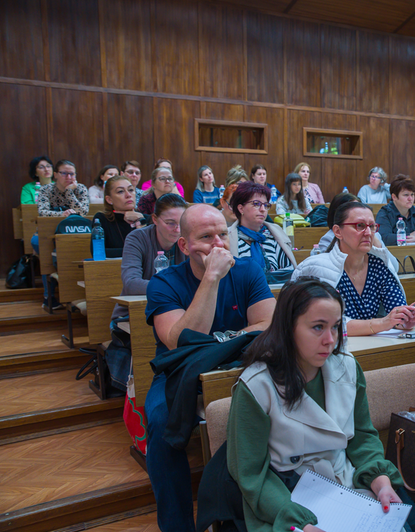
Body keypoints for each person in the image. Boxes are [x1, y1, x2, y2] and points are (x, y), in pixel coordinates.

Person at [227, 278, 415, 532]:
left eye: (335, 327)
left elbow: (362, 437)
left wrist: (380, 480)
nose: (330, 339)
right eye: (318, 327)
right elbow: (252, 475)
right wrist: (299, 522)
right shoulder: (257, 386)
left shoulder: (347, 366)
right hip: (285, 496)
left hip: (345, 482)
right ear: (288, 328)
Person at [145, 204, 276, 532]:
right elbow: (181, 342)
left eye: (222, 235)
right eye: (206, 237)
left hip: (239, 366)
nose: (218, 244)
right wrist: (212, 277)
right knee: (160, 422)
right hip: (178, 373)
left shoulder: (247, 271)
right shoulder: (163, 283)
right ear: (185, 245)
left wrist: (221, 341)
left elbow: (268, 323)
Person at [293, 202, 415, 336]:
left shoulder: (379, 265)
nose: (368, 233)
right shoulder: (317, 268)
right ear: (338, 231)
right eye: (359, 226)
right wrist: (381, 323)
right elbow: (326, 323)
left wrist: (404, 321)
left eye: (372, 226)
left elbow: (396, 311)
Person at [107, 193, 188, 391]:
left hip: (176, 311)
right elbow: (131, 283)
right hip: (134, 314)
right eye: (170, 223)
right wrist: (173, 290)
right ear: (155, 219)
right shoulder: (137, 238)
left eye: (181, 223)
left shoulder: (186, 240)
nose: (177, 229)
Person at [228, 181, 297, 284]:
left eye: (266, 205)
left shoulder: (274, 233)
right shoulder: (228, 237)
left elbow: (289, 271)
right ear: (241, 208)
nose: (263, 209)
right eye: (256, 204)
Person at [92, 175, 150, 258]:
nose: (128, 195)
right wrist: (136, 251)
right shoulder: (102, 219)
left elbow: (154, 251)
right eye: (120, 191)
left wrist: (141, 222)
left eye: (131, 190)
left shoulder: (146, 219)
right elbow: (99, 252)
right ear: (109, 199)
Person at [376, 176, 415, 245]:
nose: (410, 198)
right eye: (406, 195)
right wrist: (409, 235)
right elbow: (384, 238)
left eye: (412, 194)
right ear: (394, 197)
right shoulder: (384, 213)